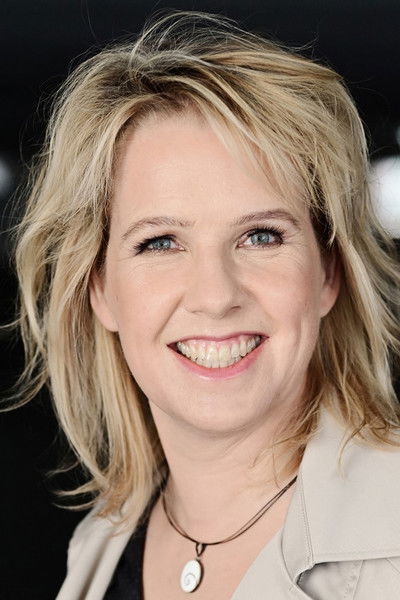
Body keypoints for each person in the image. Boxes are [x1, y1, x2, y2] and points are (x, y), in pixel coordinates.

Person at [10, 10, 400, 600]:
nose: (216, 297)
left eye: (260, 236)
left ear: (327, 273)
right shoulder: (98, 546)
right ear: (100, 289)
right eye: (160, 242)